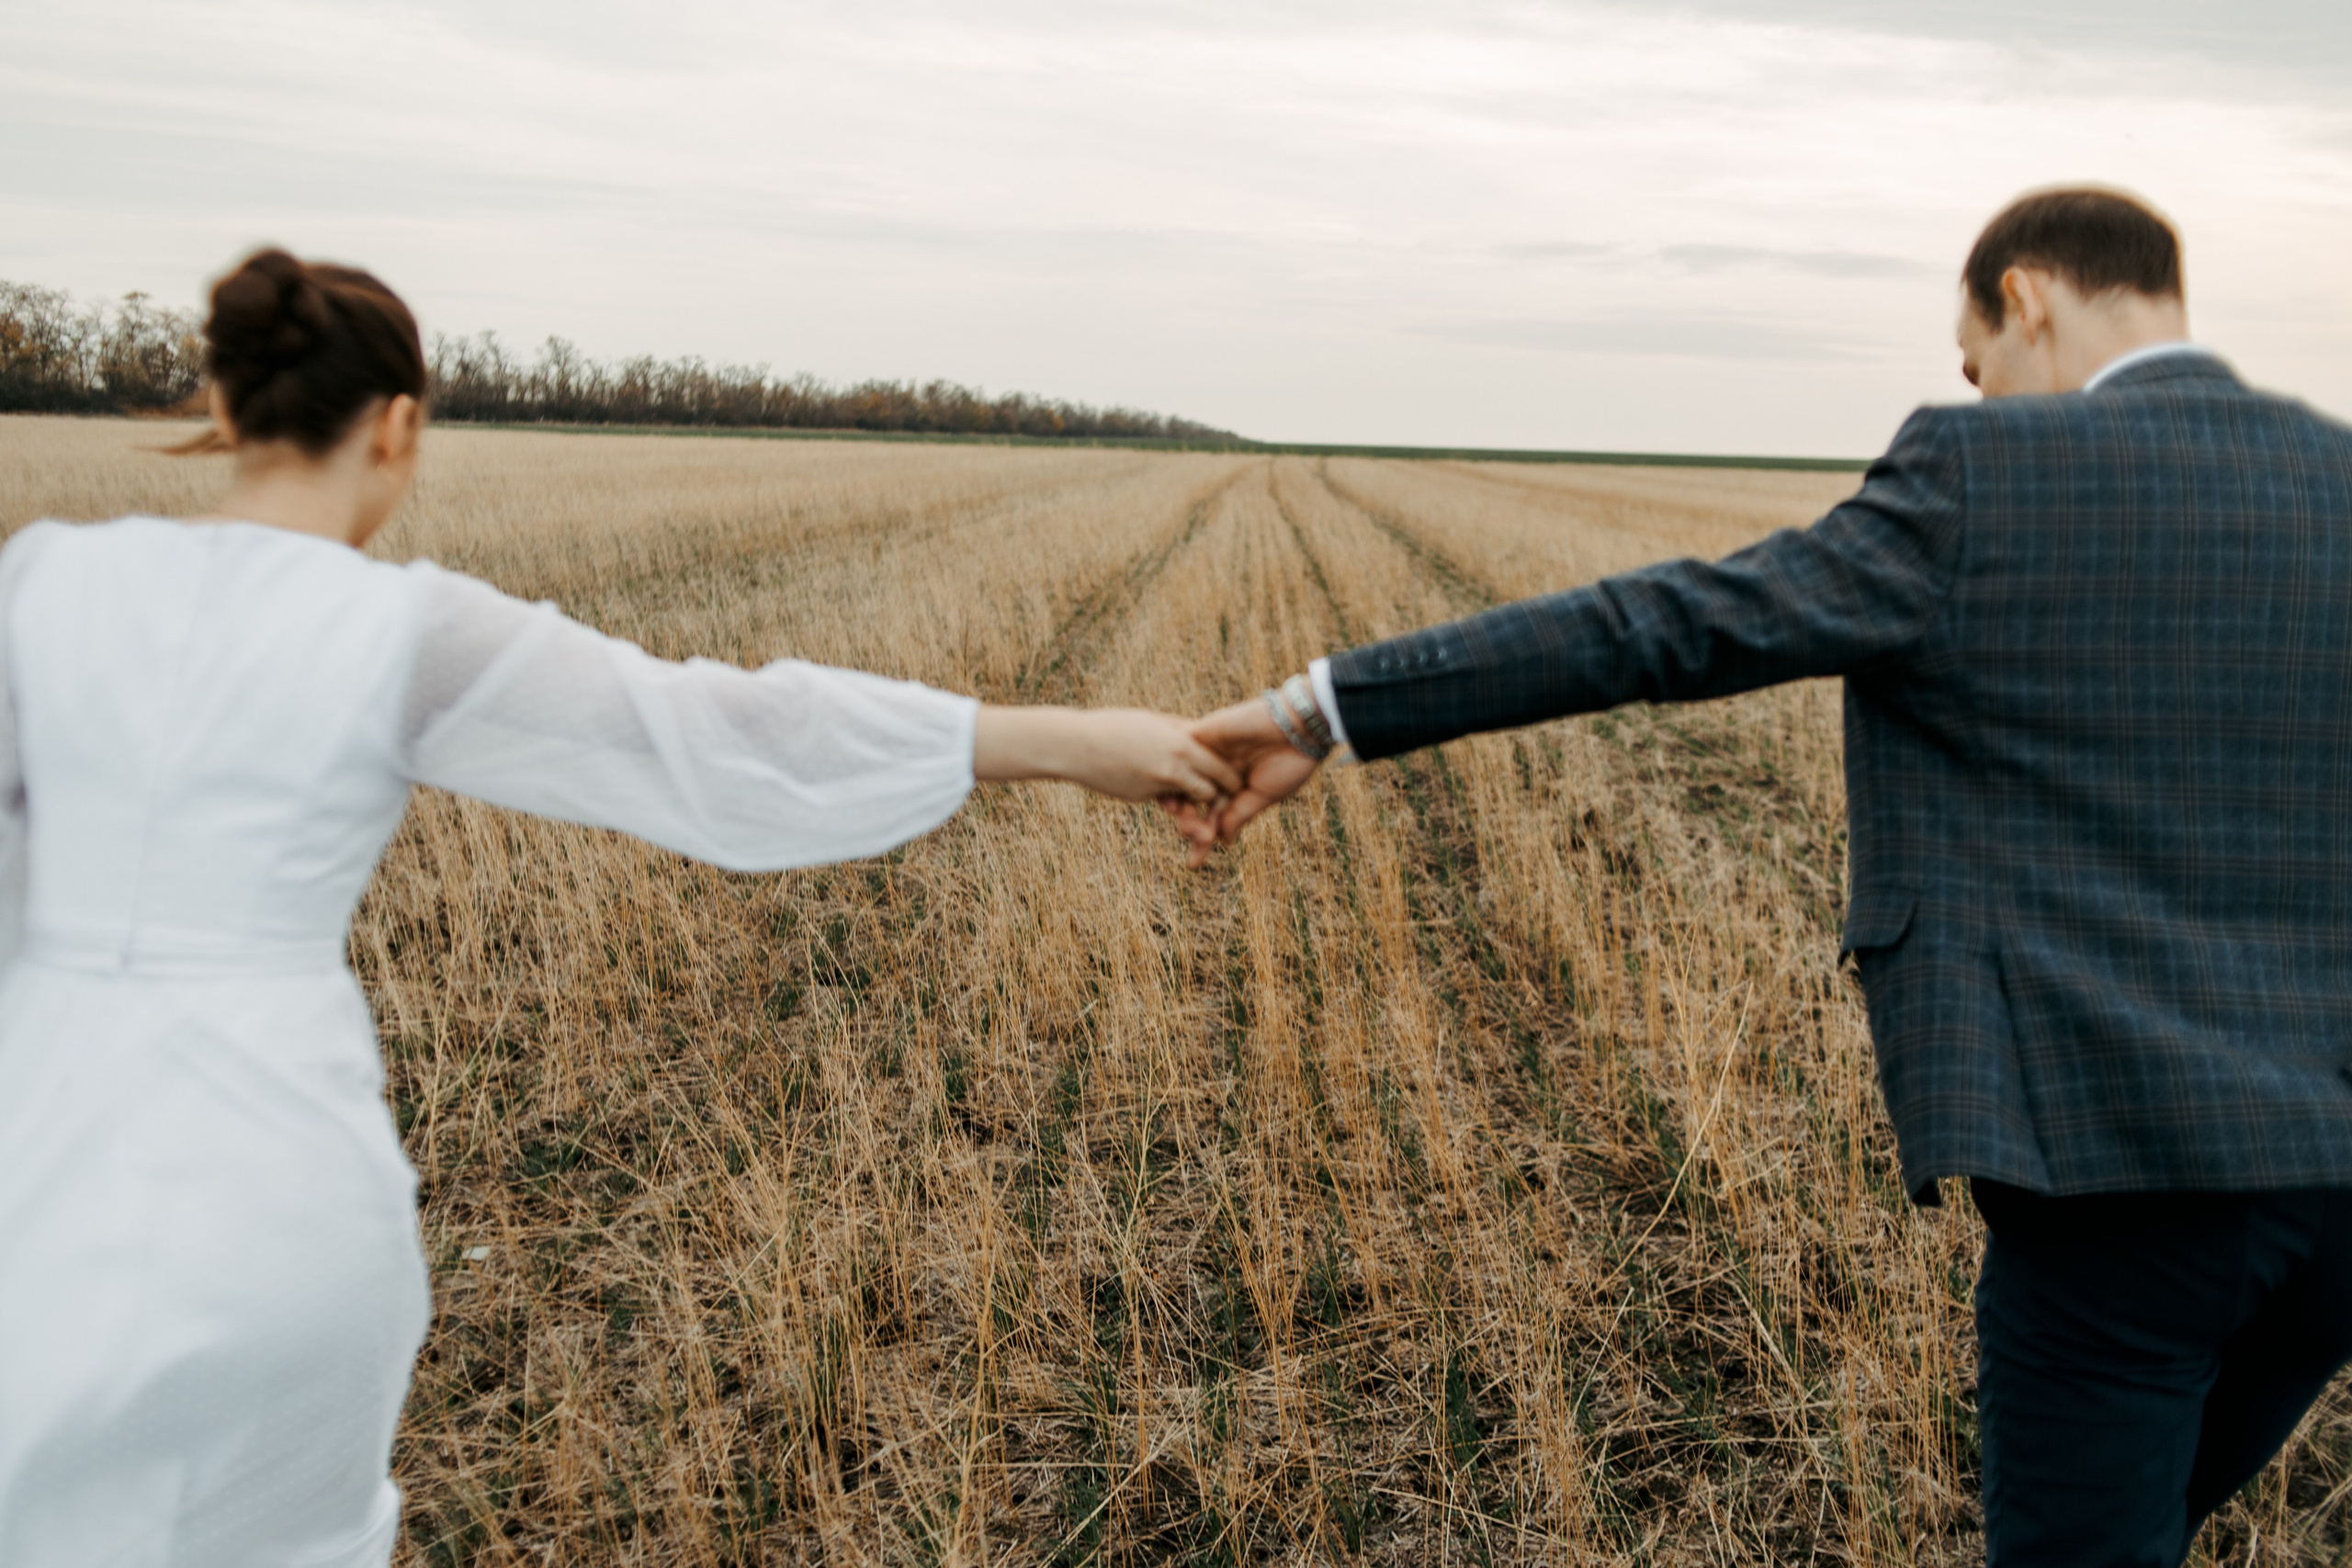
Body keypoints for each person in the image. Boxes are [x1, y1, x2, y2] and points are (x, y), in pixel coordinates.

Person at [0, 248, 1237, 1567]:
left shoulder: (39, 582)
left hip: (38, 1152)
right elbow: (718, 735)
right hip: (273, 1181)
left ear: (227, 406)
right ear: (399, 425)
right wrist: (1063, 737)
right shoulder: (399, 627)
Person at [1189, 187, 2352, 1565]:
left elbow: (1670, 626)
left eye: (1976, 363)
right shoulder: (2334, 478)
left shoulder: (1987, 476)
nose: (1977, 396)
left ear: (2027, 295)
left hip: (2120, 1190)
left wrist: (1329, 706)